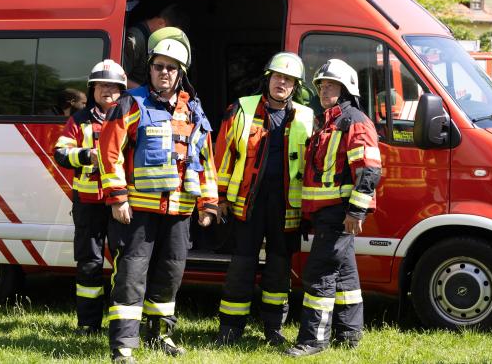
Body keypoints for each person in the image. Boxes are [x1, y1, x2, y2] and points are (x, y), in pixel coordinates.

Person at [99, 27, 218, 364]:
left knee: (170, 275)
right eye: (158, 66)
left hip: (179, 210)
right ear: (149, 68)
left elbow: (204, 158)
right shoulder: (131, 102)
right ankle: (123, 345)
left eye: (171, 67)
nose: (164, 72)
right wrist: (118, 197)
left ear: (180, 73)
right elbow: (110, 153)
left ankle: (160, 335)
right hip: (138, 211)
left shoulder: (192, 109)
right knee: (131, 277)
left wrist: (208, 203)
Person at [213, 52, 314, 347]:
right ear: (268, 79)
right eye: (278, 77)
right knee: (241, 267)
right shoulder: (242, 109)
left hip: (286, 206)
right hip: (248, 203)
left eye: (289, 80)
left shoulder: (306, 117)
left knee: (279, 269)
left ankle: (273, 328)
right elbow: (224, 155)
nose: (282, 83)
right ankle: (230, 328)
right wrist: (219, 198)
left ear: (295, 86)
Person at [285, 59, 381, 358]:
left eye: (331, 85)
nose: (325, 89)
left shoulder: (353, 121)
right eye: (322, 85)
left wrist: (355, 211)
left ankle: (314, 339)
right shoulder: (329, 121)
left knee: (320, 273)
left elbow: (368, 169)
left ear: (346, 89)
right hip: (327, 212)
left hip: (339, 212)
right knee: (345, 276)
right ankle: (349, 334)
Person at [53, 60, 127, 335]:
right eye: (103, 85)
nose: (108, 90)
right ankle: (88, 324)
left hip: (120, 202)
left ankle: (122, 323)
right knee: (89, 264)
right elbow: (60, 153)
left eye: (114, 86)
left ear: (122, 90)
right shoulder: (79, 120)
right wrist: (86, 155)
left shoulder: (129, 116)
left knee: (125, 261)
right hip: (88, 203)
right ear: (93, 88)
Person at [123, 4, 187, 88]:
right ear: (161, 22)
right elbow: (120, 78)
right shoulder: (134, 40)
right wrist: (145, 94)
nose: (171, 40)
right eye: (170, 34)